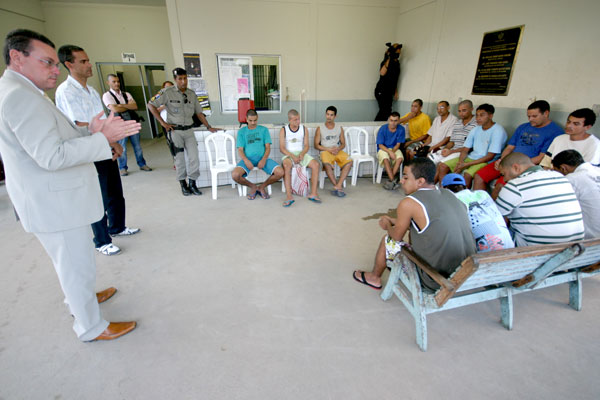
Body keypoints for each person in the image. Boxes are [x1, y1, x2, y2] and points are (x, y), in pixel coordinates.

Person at [0, 29, 137, 341]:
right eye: (47, 62)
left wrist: (92, 131)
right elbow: (51, 156)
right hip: (54, 202)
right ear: (17, 58)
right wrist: (103, 139)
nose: (55, 69)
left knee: (74, 262)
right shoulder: (20, 96)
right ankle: (91, 326)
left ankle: (80, 298)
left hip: (52, 199)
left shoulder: (22, 91)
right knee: (74, 264)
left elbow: (54, 138)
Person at [55, 44, 140, 256]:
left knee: (114, 191)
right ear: (69, 64)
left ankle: (117, 227)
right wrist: (106, 137)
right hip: (87, 150)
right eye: (83, 61)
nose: (89, 64)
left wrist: (114, 143)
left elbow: (102, 122)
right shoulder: (66, 91)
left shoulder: (92, 91)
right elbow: (79, 124)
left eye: (88, 60)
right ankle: (101, 241)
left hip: (102, 146)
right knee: (97, 197)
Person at [352, 158, 476, 291]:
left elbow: (396, 237)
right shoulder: (449, 194)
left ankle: (374, 277)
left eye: (405, 177)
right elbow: (426, 223)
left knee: (388, 241)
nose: (401, 181)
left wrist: (387, 224)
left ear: (420, 181)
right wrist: (393, 221)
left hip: (436, 279)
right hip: (466, 275)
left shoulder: (409, 202)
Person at [148, 67, 217, 196]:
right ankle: (183, 184)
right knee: (179, 160)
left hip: (189, 130)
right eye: (180, 79)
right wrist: (163, 123)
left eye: (185, 78)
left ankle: (192, 183)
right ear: (175, 79)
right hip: (175, 131)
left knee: (194, 158)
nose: (183, 81)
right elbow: (150, 104)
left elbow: (199, 113)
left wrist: (209, 127)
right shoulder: (167, 92)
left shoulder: (191, 94)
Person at [472, 100, 563, 199]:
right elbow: (509, 147)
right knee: (479, 176)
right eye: (528, 116)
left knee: (500, 187)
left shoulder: (555, 132)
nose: (530, 119)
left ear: (546, 113)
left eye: (534, 116)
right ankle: (478, 205)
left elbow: (541, 157)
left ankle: (494, 208)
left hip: (526, 167)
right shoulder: (523, 127)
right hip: (508, 161)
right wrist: (503, 161)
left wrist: (514, 165)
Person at [496, 152, 584, 246]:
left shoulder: (515, 186)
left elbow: (495, 217)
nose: (504, 179)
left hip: (538, 249)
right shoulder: (560, 177)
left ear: (516, 168)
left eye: (503, 174)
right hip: (576, 246)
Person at [438, 103, 507, 188]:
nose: (478, 118)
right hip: (471, 157)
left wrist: (466, 165)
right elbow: (465, 149)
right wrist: (460, 162)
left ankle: (463, 196)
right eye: (477, 115)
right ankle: (443, 191)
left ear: (490, 116)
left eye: (482, 115)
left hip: (485, 161)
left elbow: (490, 156)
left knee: (467, 175)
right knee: (442, 166)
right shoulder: (476, 129)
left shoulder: (498, 131)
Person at [441, 173, 514, 252]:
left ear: (446, 189)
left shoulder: (452, 200)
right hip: (509, 245)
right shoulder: (483, 194)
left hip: (485, 253)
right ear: (465, 186)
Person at [102, 74, 151, 176]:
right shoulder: (107, 96)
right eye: (114, 81)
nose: (117, 84)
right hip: (119, 125)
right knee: (122, 147)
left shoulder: (126, 94)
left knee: (137, 146)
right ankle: (122, 167)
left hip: (132, 123)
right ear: (108, 83)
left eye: (118, 81)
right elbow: (115, 109)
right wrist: (127, 106)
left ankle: (142, 164)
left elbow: (135, 106)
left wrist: (121, 105)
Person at [231, 109, 284, 199]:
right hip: (248, 159)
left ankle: (262, 187)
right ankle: (253, 187)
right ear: (246, 119)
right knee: (235, 175)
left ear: (257, 118)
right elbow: (240, 150)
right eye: (250, 120)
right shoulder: (242, 132)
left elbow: (268, 148)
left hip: (262, 158)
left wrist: (263, 159)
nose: (253, 123)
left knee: (280, 172)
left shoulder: (264, 130)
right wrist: (246, 160)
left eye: (255, 120)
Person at [552, 150, 600, 239]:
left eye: (556, 171)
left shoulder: (571, 179)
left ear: (563, 168)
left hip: (592, 239)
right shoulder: (597, 170)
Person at [279, 109, 321, 207]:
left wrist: (302, 154)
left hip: (301, 153)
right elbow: (282, 148)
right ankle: (289, 196)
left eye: (298, 119)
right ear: (289, 120)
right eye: (295, 120)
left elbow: (306, 146)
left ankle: (313, 194)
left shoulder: (304, 129)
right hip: (289, 154)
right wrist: (292, 156)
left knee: (316, 165)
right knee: (286, 166)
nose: (298, 122)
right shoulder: (284, 130)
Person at [433, 100, 477, 182]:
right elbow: (452, 142)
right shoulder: (457, 123)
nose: (461, 113)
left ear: (471, 109)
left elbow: (471, 147)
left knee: (441, 165)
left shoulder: (477, 124)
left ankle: (435, 187)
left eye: (464, 110)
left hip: (463, 152)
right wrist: (446, 149)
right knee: (431, 160)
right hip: (453, 150)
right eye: (459, 111)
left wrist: (451, 152)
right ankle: (431, 185)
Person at [314, 105, 353, 197]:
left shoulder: (339, 128)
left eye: (331, 115)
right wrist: (328, 149)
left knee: (349, 162)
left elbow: (343, 144)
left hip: (337, 150)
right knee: (327, 165)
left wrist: (338, 149)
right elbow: (316, 145)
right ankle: (337, 186)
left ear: (335, 116)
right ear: (325, 115)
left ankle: (338, 185)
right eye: (327, 114)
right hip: (325, 151)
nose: (329, 117)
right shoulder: (320, 128)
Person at [376, 111, 405, 190]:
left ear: (398, 121)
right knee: (385, 159)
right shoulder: (383, 129)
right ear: (388, 120)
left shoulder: (401, 129)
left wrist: (392, 152)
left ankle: (390, 181)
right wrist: (389, 152)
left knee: (399, 159)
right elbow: (380, 145)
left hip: (394, 148)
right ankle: (393, 180)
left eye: (395, 121)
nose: (393, 123)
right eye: (391, 120)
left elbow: (398, 144)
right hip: (383, 148)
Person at [374, 42, 401, 121]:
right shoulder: (385, 62)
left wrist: (395, 91)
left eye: (399, 53)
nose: (397, 54)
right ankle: (376, 126)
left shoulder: (397, 64)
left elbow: (395, 78)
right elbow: (382, 73)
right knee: (384, 111)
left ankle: (380, 126)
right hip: (382, 90)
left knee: (387, 111)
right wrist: (390, 57)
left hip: (389, 91)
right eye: (396, 52)